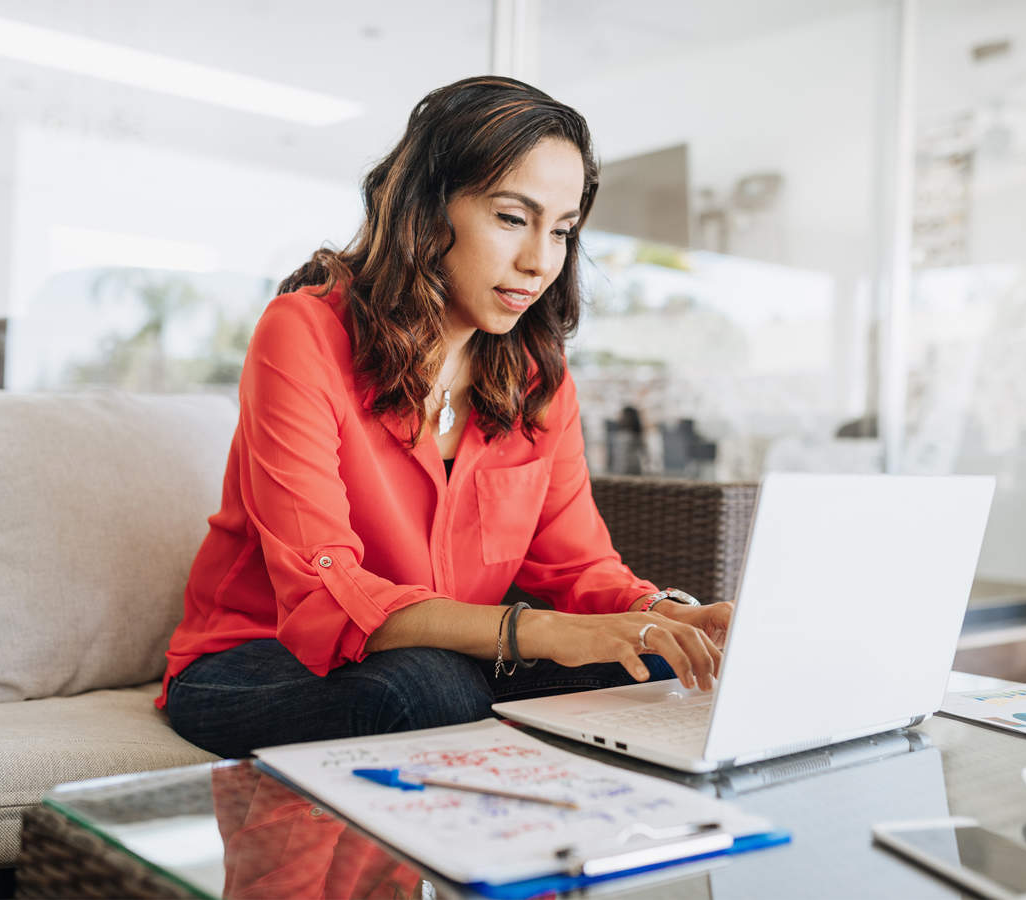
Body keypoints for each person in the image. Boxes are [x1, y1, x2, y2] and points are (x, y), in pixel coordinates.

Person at [159, 76, 733, 759]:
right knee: (430, 689)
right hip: (257, 660)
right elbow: (325, 595)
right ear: (429, 209)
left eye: (563, 231)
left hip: (455, 656)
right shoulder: (304, 333)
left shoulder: (537, 381)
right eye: (512, 218)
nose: (539, 261)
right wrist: (546, 636)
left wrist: (665, 616)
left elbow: (580, 569)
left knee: (664, 667)